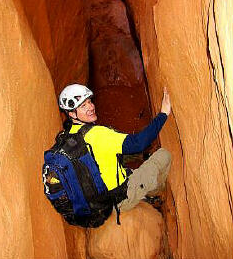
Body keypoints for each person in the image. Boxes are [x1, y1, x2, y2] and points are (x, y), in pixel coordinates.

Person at [58, 83, 172, 213]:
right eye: (83, 106)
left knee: (116, 153)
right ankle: (155, 193)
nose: (90, 107)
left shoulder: (67, 135)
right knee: (164, 155)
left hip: (97, 200)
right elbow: (138, 143)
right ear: (72, 114)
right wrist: (164, 113)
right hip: (120, 198)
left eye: (89, 101)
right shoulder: (98, 134)